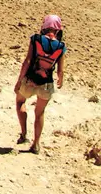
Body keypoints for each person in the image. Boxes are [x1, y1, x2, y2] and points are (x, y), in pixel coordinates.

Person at [14, 14, 65, 154]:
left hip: (30, 79)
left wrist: (19, 81)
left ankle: (24, 134)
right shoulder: (61, 46)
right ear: (58, 29)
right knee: (40, 112)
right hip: (47, 84)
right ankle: (36, 144)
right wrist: (60, 80)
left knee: (20, 102)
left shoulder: (36, 39)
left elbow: (28, 61)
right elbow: (60, 71)